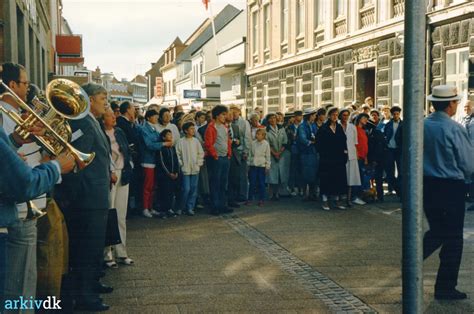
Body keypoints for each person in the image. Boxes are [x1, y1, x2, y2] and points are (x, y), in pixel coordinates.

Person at [55, 83, 112, 311]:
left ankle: (92, 285)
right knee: (87, 248)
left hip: (95, 195)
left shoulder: (92, 121)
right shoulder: (83, 122)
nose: (105, 102)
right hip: (87, 197)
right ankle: (86, 296)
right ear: (88, 100)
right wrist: (71, 197)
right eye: (102, 98)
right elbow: (77, 163)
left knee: (94, 246)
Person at [423, 85, 474, 300]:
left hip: (427, 185)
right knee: (453, 237)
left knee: (437, 229)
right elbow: (468, 163)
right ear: (451, 104)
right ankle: (444, 287)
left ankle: (413, 256)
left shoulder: (422, 125)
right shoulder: (454, 128)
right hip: (450, 186)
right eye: (456, 102)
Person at [101, 108, 134, 268]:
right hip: (109, 176)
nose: (114, 117)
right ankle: (107, 254)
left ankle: (122, 252)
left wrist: (129, 164)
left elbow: (126, 150)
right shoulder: (100, 133)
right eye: (110, 115)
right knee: (109, 213)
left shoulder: (119, 131)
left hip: (123, 173)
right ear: (103, 119)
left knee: (121, 214)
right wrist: (110, 171)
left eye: (114, 115)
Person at [138, 109, 171, 218]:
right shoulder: (144, 130)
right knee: (147, 186)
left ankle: (150, 207)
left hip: (154, 161)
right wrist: (163, 143)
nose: (157, 118)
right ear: (148, 118)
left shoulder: (153, 129)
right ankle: (145, 208)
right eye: (154, 116)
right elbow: (149, 145)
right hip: (147, 161)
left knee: (152, 186)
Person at [316, 107, 348, 211]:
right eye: (333, 114)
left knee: (338, 179)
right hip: (327, 159)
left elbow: (344, 141)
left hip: (338, 158)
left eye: (336, 115)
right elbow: (318, 144)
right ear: (329, 115)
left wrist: (344, 153)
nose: (335, 117)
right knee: (326, 179)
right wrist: (324, 154)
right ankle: (325, 201)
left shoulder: (339, 127)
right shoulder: (324, 128)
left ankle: (336, 201)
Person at [204, 105, 232, 215]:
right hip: (216, 159)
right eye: (223, 114)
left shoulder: (225, 127)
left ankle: (222, 205)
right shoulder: (211, 128)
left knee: (223, 183)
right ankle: (215, 206)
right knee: (215, 182)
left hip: (225, 157)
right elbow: (208, 144)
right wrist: (215, 155)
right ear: (217, 115)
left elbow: (227, 141)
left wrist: (229, 153)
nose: (225, 117)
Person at [176, 122, 204, 216]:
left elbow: (200, 153)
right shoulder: (180, 142)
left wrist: (198, 164)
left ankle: (190, 207)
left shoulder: (196, 141)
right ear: (185, 131)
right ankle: (181, 206)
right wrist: (181, 164)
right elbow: (177, 154)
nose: (193, 130)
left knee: (193, 188)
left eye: (193, 128)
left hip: (195, 169)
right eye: (191, 129)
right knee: (186, 189)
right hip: (185, 169)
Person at [339, 109, 362, 207]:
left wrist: (356, 155)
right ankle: (339, 199)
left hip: (351, 155)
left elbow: (355, 142)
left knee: (351, 177)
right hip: (339, 154)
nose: (345, 117)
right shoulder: (337, 125)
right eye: (344, 115)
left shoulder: (352, 127)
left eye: (347, 115)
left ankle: (348, 199)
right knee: (340, 177)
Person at [230, 105, 252, 202]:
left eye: (235, 112)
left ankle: (243, 195)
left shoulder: (244, 123)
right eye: (232, 113)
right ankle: (235, 194)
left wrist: (246, 151)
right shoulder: (230, 123)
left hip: (241, 151)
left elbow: (247, 137)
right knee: (235, 175)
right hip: (233, 152)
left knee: (243, 175)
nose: (233, 114)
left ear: (239, 112)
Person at [156, 129, 180, 217]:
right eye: (168, 135)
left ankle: (169, 208)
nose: (171, 136)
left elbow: (176, 160)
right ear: (163, 137)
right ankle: (163, 210)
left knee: (171, 191)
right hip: (164, 175)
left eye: (171, 134)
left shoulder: (172, 148)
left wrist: (176, 172)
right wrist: (168, 173)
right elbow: (162, 162)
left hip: (173, 173)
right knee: (164, 192)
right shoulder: (162, 148)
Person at [265, 113, 289, 200]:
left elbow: (285, 141)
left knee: (279, 174)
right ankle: (271, 193)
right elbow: (267, 144)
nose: (273, 120)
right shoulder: (266, 130)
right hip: (271, 154)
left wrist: (279, 152)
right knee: (271, 175)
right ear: (268, 120)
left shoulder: (281, 128)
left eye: (274, 118)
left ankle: (277, 193)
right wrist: (275, 153)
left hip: (281, 154)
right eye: (270, 118)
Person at [296, 108, 319, 201]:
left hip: (313, 152)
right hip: (305, 153)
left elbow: (317, 135)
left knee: (314, 173)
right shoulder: (302, 126)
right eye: (313, 115)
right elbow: (302, 139)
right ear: (310, 116)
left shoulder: (313, 125)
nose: (315, 116)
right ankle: (305, 194)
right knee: (305, 173)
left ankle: (312, 193)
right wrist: (311, 142)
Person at [247, 128, 271, 206]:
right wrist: (249, 164)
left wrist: (267, 166)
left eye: (259, 134)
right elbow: (250, 154)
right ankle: (250, 198)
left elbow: (268, 156)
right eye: (256, 134)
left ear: (263, 136)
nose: (257, 135)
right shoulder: (253, 143)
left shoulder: (266, 144)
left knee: (261, 183)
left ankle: (261, 199)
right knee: (252, 183)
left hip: (261, 166)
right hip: (253, 165)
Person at [366, 109, 386, 202]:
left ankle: (380, 196)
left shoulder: (377, 133)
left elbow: (379, 147)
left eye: (375, 115)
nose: (374, 117)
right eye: (372, 115)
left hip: (378, 158)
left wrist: (375, 159)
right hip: (371, 157)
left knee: (378, 178)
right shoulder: (369, 132)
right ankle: (373, 195)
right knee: (372, 178)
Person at [383, 105, 403, 197]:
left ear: (399, 114)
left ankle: (399, 189)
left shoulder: (403, 124)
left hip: (399, 149)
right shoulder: (388, 124)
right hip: (390, 148)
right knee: (390, 171)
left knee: (400, 170)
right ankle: (391, 188)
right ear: (392, 114)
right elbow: (385, 135)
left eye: (397, 114)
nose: (396, 116)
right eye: (394, 114)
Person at [353, 113, 370, 204]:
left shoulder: (363, 130)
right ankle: (354, 196)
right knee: (357, 177)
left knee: (361, 177)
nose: (366, 120)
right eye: (364, 118)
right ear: (359, 119)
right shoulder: (355, 129)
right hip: (357, 156)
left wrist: (366, 157)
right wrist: (356, 154)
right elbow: (354, 143)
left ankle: (358, 195)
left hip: (363, 156)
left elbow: (364, 144)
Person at [287, 110, 303, 196]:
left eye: (301, 116)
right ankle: (292, 187)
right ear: (295, 116)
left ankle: (300, 188)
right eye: (299, 116)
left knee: (300, 169)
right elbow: (289, 138)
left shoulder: (303, 126)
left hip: (301, 149)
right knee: (292, 169)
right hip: (293, 149)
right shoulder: (290, 127)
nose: (300, 117)